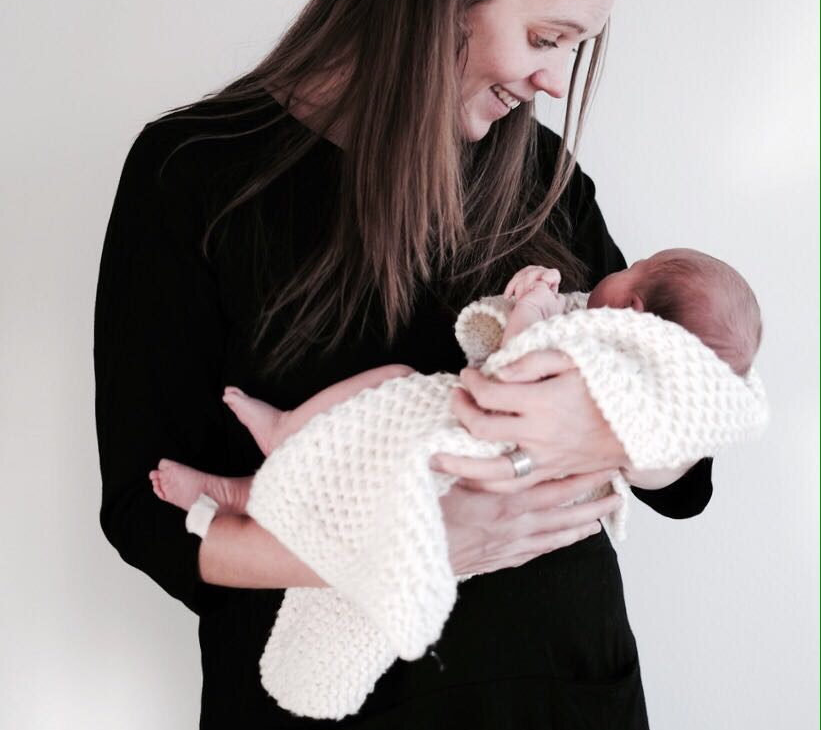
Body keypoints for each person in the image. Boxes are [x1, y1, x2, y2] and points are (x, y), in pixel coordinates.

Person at [94, 0, 718, 730]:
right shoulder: (194, 174)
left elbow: (682, 466)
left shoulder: (540, 179)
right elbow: (144, 510)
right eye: (545, 36)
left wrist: (599, 433)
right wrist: (416, 551)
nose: (550, 80)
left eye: (571, 48)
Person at [147, 247, 762, 521]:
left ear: (632, 310)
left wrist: (531, 307)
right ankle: (251, 485)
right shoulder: (603, 326)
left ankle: (273, 454)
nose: (617, 264)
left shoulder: (601, 357)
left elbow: (517, 367)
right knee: (363, 461)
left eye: (633, 267)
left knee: (392, 392)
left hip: (471, 466)